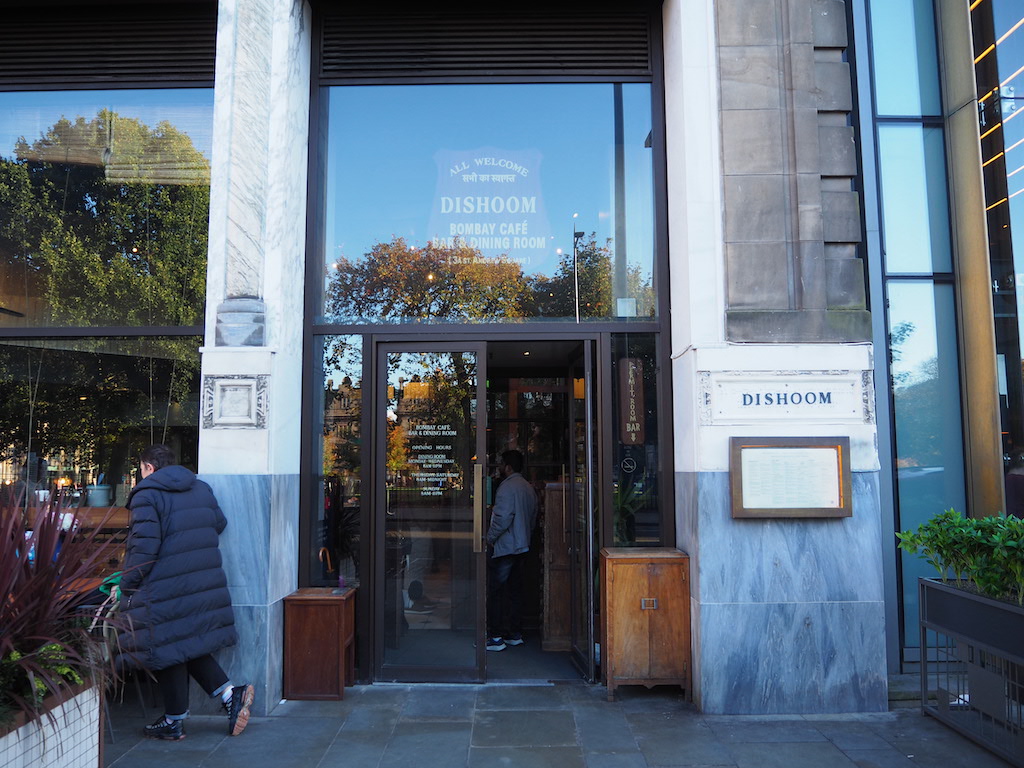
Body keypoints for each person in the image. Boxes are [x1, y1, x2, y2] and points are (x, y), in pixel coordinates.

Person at [117, 444, 253, 741]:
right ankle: (228, 696)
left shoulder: (147, 494)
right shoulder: (201, 488)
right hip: (201, 581)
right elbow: (219, 523)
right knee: (181, 645)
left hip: (166, 585)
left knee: (164, 644)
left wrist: (125, 585)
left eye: (141, 469)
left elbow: (144, 548)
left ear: (148, 468)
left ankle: (176, 719)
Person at [485, 449, 538, 651]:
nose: (499, 467)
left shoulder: (507, 488)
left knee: (497, 591)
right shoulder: (527, 487)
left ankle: (496, 636)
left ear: (507, 467)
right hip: (522, 546)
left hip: (506, 547)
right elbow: (533, 517)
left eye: (500, 464)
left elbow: (502, 519)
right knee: (516, 591)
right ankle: (515, 633)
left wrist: (490, 538)